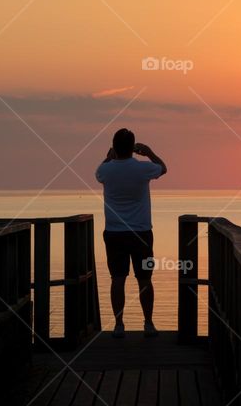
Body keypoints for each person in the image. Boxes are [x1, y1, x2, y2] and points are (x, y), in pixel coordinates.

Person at [95, 128, 167, 338]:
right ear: (134, 147)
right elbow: (163, 168)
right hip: (141, 232)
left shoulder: (106, 170)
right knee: (145, 279)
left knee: (117, 278)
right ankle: (148, 323)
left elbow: (99, 172)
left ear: (114, 147)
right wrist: (150, 152)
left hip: (114, 232)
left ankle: (118, 325)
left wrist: (109, 157)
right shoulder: (143, 168)